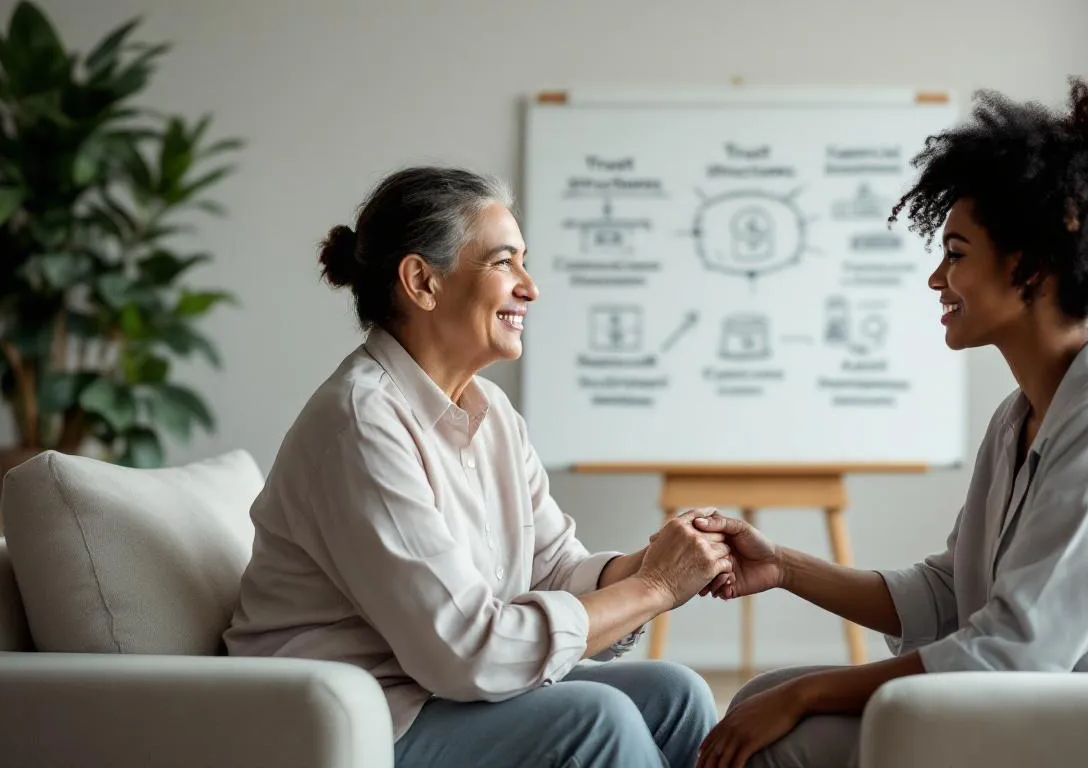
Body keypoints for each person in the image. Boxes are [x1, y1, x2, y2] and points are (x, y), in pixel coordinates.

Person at [691, 73, 1088, 768]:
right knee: (765, 696)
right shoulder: (1024, 415)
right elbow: (949, 595)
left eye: (955, 254)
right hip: (1055, 702)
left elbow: (1010, 652)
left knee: (784, 735)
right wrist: (782, 567)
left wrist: (813, 693)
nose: (937, 279)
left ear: (1032, 268)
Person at [222, 167, 730, 768]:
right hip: (359, 720)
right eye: (503, 262)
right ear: (422, 282)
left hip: (436, 692)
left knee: (676, 695)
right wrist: (656, 587)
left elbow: (554, 570)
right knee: (598, 721)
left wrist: (667, 561)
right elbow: (469, 653)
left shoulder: (493, 415)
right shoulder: (361, 422)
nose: (530, 287)